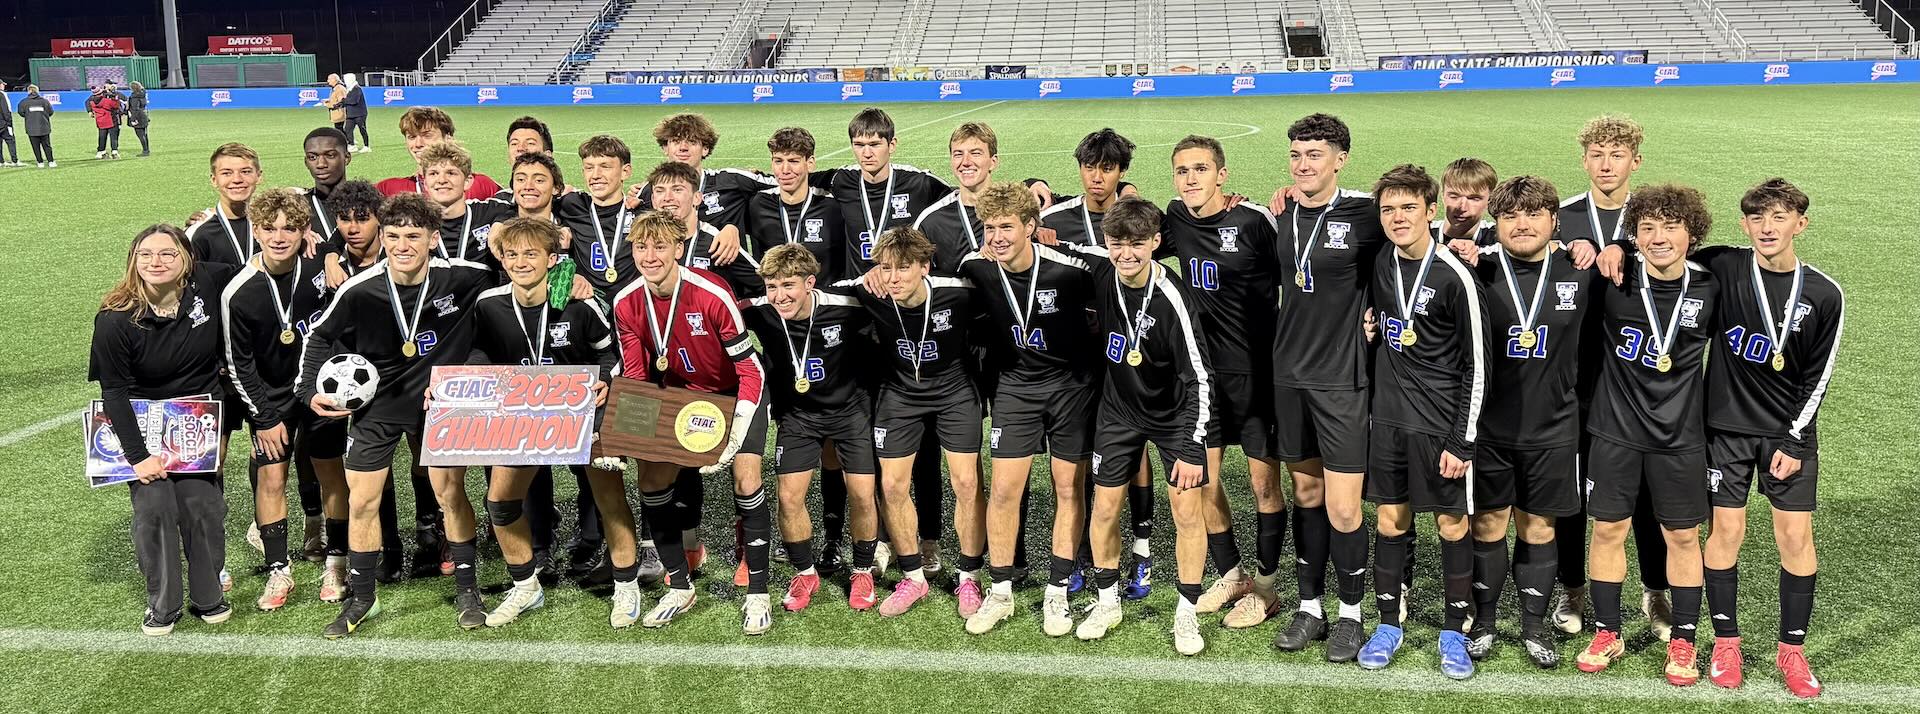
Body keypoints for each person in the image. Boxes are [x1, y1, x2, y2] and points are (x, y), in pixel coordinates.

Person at [296, 192, 497, 638]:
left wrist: (569, 273)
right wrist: (308, 389)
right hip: (377, 408)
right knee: (363, 500)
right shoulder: (359, 288)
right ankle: (362, 597)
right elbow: (318, 339)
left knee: (450, 495)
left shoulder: (465, 277)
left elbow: (520, 270)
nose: (402, 244)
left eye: (413, 235)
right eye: (393, 236)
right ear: (382, 238)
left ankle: (468, 589)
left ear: (432, 238)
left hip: (439, 407)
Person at [1696, 178, 1841, 698]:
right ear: (1745, 225)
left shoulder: (1824, 293)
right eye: (1757, 218)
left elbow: (1817, 376)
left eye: (1779, 217)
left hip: (1788, 433)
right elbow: (1664, 246)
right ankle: (1726, 642)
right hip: (1726, 430)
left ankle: (1791, 651)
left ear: (1800, 224)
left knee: (1795, 539)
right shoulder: (1725, 265)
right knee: (1726, 533)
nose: (1767, 227)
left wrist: (1796, 441)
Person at [1575, 183, 1720, 686]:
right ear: (1633, 234)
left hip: (1679, 437)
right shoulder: (1612, 277)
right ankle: (1607, 629)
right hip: (1613, 430)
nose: (1659, 238)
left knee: (1682, 535)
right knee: (1608, 530)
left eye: (1671, 227)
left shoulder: (1710, 286)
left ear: (1692, 234)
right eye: (1647, 228)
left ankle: (1683, 639)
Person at [1353, 165, 1488, 680]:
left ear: (1431, 213)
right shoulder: (1382, 262)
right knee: (1391, 521)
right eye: (1388, 209)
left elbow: (1477, 365)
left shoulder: (1456, 278)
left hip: (1440, 429)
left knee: (1452, 523)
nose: (1397, 218)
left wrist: (1463, 439)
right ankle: (1389, 624)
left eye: (1409, 208)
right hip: (1388, 422)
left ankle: (1454, 631)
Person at [610, 210, 771, 633]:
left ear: (679, 249)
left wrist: (737, 428)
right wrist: (624, 438)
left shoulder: (711, 292)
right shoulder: (626, 301)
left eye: (660, 246)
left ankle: (758, 595)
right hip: (683, 398)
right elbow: (637, 376)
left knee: (747, 478)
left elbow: (751, 369)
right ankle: (679, 587)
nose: (649, 256)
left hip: (734, 394)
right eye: (641, 246)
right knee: (651, 480)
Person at [1267, 115, 1389, 659]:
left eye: (1314, 154)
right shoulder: (1283, 213)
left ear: (1340, 159)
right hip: (1289, 376)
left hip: (1342, 380)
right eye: (1296, 154)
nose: (1303, 164)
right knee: (1308, 495)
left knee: (1344, 508)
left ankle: (1350, 614)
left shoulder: (1365, 213)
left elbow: (1412, 250)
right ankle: (1310, 607)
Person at [1465, 175, 1598, 669]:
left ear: (1554, 220)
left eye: (1534, 214)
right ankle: (1482, 622)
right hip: (1489, 428)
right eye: (1510, 216)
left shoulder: (1579, 269)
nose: (1522, 224)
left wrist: (1616, 247)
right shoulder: (1476, 268)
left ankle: (1533, 626)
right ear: (1495, 224)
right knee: (1488, 524)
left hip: (1555, 427)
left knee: (1539, 528)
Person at [1154, 135, 1286, 631]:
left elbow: (1299, 270)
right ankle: (1232, 575)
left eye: (1201, 169)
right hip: (1202, 379)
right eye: (1182, 170)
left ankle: (1268, 588)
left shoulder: (1252, 221)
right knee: (1204, 482)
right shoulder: (1175, 219)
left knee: (1263, 485)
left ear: (1222, 175)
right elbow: (1127, 233)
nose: (1191, 179)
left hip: (1257, 375)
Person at [954, 182, 1097, 636]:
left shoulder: (1070, 268)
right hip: (1015, 388)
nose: (997, 236)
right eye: (989, 227)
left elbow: (1120, 276)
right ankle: (1000, 592)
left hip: (1071, 387)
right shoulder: (975, 268)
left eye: (1007, 227)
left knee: (1069, 489)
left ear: (1031, 227)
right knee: (1002, 490)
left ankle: (1057, 592)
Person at [1073, 197, 1215, 654]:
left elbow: (1200, 376)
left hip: (1174, 416)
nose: (1126, 254)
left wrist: (1194, 447)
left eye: (1137, 244)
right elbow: (1043, 245)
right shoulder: (1099, 266)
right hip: (1119, 411)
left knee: (1187, 513)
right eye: (1117, 243)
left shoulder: (1174, 299)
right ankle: (1107, 600)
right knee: (1106, 507)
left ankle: (1187, 613)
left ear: (1156, 242)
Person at [462, 218, 620, 627]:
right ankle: (525, 586)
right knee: (499, 501)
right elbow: (481, 350)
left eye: (531, 254)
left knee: (607, 496)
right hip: (523, 414)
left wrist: (603, 380)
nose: (520, 262)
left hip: (578, 409)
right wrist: (469, 378)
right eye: (512, 254)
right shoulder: (489, 303)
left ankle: (626, 586)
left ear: (552, 259)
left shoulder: (577, 302)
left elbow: (610, 354)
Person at [89, 224, 240, 635]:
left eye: (168, 254)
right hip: (142, 425)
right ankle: (163, 603)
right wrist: (139, 457)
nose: (156, 262)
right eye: (146, 255)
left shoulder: (208, 282)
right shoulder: (114, 320)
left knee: (202, 505)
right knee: (155, 507)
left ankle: (209, 595)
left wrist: (326, 248)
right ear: (133, 262)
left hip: (196, 422)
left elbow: (258, 263)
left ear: (187, 260)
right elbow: (114, 394)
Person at [1555, 115, 1673, 639]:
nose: (1607, 165)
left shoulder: (1652, 219)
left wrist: (1627, 248)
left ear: (1636, 162)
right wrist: (1563, 251)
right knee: (1572, 490)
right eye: (1598, 155)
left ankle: (1656, 591)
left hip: (1638, 380)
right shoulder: (1560, 217)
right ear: (1584, 160)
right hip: (1572, 380)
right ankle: (1573, 588)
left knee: (1644, 494)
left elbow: (1685, 258)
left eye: (1617, 155)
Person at [739, 244, 882, 611]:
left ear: (809, 282)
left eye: (788, 285)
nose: (780, 296)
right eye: (772, 286)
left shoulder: (846, 304)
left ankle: (863, 569)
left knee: (863, 494)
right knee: (788, 497)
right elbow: (719, 308)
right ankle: (804, 573)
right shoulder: (762, 311)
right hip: (799, 416)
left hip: (850, 412)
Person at [219, 188, 343, 611]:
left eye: (290, 228)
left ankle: (337, 561)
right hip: (269, 402)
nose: (279, 236)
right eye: (269, 228)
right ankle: (278, 570)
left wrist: (326, 252)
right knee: (271, 480)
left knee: (331, 476)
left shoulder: (318, 270)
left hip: (318, 394)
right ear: (255, 231)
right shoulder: (238, 292)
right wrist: (264, 416)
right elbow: (238, 364)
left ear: (304, 231)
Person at [416, 141, 514, 279]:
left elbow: (517, 208)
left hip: (484, 299)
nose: (441, 180)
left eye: (451, 173)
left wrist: (501, 222)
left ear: (468, 181)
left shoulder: (488, 212)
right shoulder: (415, 224)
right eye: (433, 173)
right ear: (425, 183)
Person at [376, 108, 500, 198]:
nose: (418, 144)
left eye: (427, 135)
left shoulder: (480, 185)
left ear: (448, 138)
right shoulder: (390, 189)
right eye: (412, 137)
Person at [187, 143, 264, 267]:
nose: (237, 179)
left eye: (245, 171)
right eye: (227, 173)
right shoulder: (199, 232)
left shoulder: (271, 225)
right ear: (214, 180)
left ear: (259, 176)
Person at [1439, 157, 1498, 258]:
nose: (1462, 207)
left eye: (1474, 199)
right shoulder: (1422, 234)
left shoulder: (1501, 239)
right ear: (1442, 195)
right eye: (1454, 196)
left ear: (1490, 200)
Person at [302, 128, 353, 240]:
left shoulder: (369, 203)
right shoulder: (299, 207)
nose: (321, 164)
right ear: (306, 162)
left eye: (330, 155)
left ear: (347, 158)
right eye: (312, 157)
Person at [18, 84, 53, 168]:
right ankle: (51, 161)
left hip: (31, 128)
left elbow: (21, 112)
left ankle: (40, 162)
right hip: (44, 127)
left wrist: (30, 117)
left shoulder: (23, 102)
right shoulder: (44, 101)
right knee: (47, 146)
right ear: (37, 91)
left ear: (28, 91)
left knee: (35, 147)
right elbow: (50, 112)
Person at [91, 85, 122, 159]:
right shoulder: (107, 101)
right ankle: (114, 152)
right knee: (113, 137)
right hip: (110, 120)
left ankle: (101, 152)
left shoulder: (92, 102)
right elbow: (116, 105)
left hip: (100, 121)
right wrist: (114, 97)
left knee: (102, 137)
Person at [340, 73, 369, 153]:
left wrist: (344, 101)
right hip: (351, 114)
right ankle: (352, 145)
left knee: (362, 129)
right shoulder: (350, 89)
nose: (345, 82)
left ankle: (366, 146)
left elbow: (354, 101)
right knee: (347, 129)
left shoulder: (357, 89)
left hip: (360, 114)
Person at [126, 81, 150, 157]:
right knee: (145, 134)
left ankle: (145, 151)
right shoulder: (143, 95)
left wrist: (133, 119)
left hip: (138, 117)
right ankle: (147, 149)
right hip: (143, 115)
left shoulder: (134, 97)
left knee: (140, 134)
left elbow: (135, 109)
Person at [0, 80, 19, 167]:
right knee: (10, 141)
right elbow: (5, 110)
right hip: (4, 124)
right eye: (2, 84)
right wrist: (9, 123)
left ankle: (1, 161)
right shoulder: (2, 95)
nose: (4, 86)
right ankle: (14, 161)